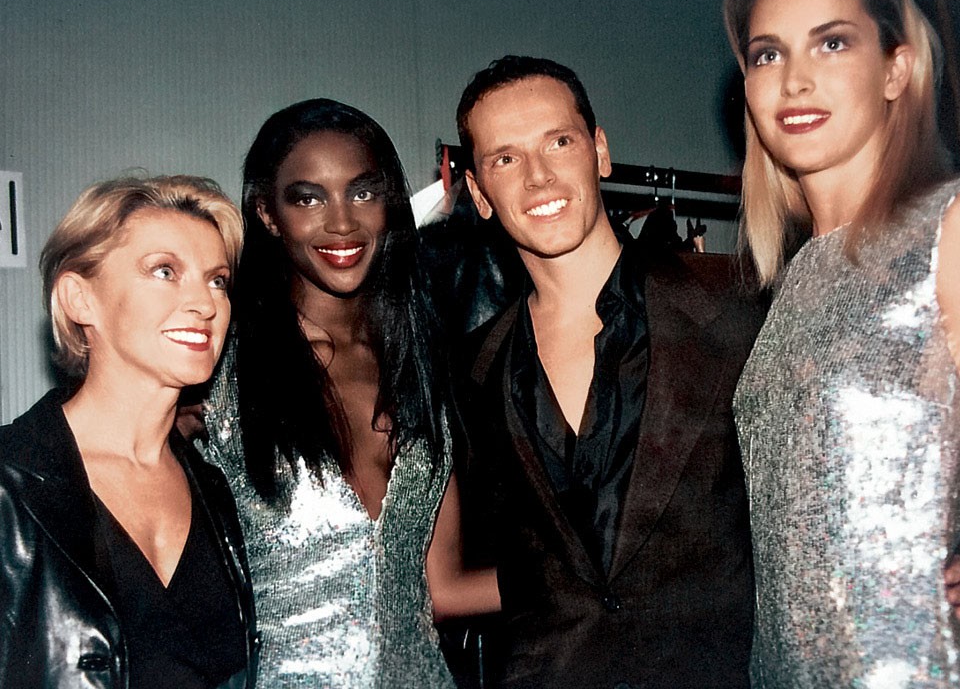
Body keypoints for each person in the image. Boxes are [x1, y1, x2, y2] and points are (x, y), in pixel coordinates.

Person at [453, 55, 765, 688]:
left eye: (558, 142)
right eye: (506, 159)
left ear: (599, 151)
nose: (538, 177)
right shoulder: (470, 371)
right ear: (480, 193)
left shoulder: (737, 302)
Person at [197, 98, 499, 688]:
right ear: (267, 214)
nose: (342, 223)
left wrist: (585, 575)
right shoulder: (221, 373)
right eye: (308, 199)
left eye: (362, 192)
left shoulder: (421, 370)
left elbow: (440, 590)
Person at [724, 0, 960, 685]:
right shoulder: (793, 278)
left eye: (831, 43)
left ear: (897, 69)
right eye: (768, 54)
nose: (794, 80)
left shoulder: (947, 227)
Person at [0, 176, 257, 688]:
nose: (205, 304)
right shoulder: (10, 482)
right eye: (165, 271)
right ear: (79, 299)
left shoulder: (218, 491)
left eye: (217, 281)